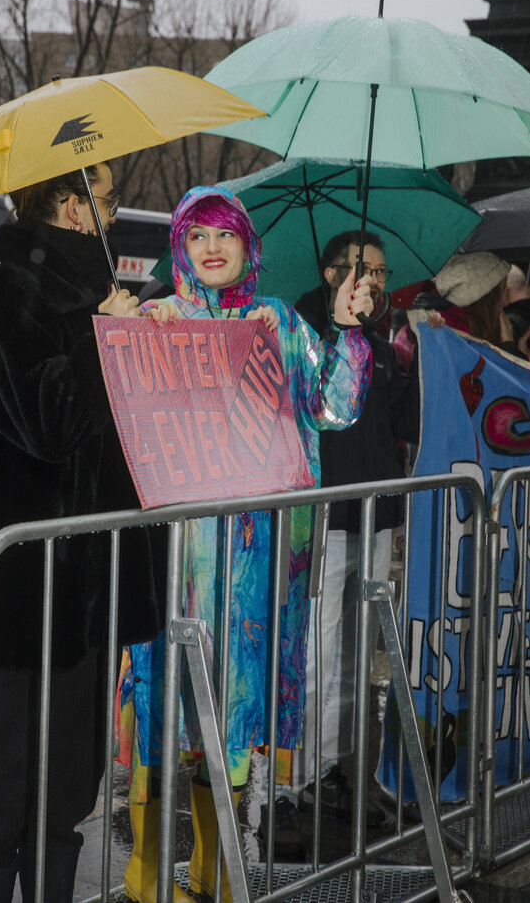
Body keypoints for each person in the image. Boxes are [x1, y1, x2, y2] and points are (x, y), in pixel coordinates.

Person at [0, 163, 163, 903]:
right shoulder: (15, 289)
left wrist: (135, 333)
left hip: (82, 580)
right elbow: (45, 423)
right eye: (106, 201)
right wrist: (102, 337)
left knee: (68, 773)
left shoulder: (90, 291)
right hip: (19, 583)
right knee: (5, 769)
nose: (111, 215)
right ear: (68, 205)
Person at [118, 186, 373, 903]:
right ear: (178, 248)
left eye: (223, 234)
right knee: (160, 702)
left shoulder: (280, 322)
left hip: (255, 565)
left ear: (246, 247)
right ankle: (142, 869)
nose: (210, 248)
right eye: (195, 235)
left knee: (234, 711)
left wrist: (346, 330)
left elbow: (335, 406)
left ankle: (215, 865)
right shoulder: (158, 318)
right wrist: (142, 332)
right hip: (172, 559)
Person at [262, 231, 419, 848]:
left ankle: (354, 768)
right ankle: (303, 775)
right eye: (363, 269)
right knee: (318, 651)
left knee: (361, 657)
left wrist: (422, 360)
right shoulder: (299, 330)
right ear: (331, 274)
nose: (375, 281)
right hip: (320, 520)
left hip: (376, 517)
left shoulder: (382, 344)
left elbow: (403, 421)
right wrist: (335, 333)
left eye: (381, 272)